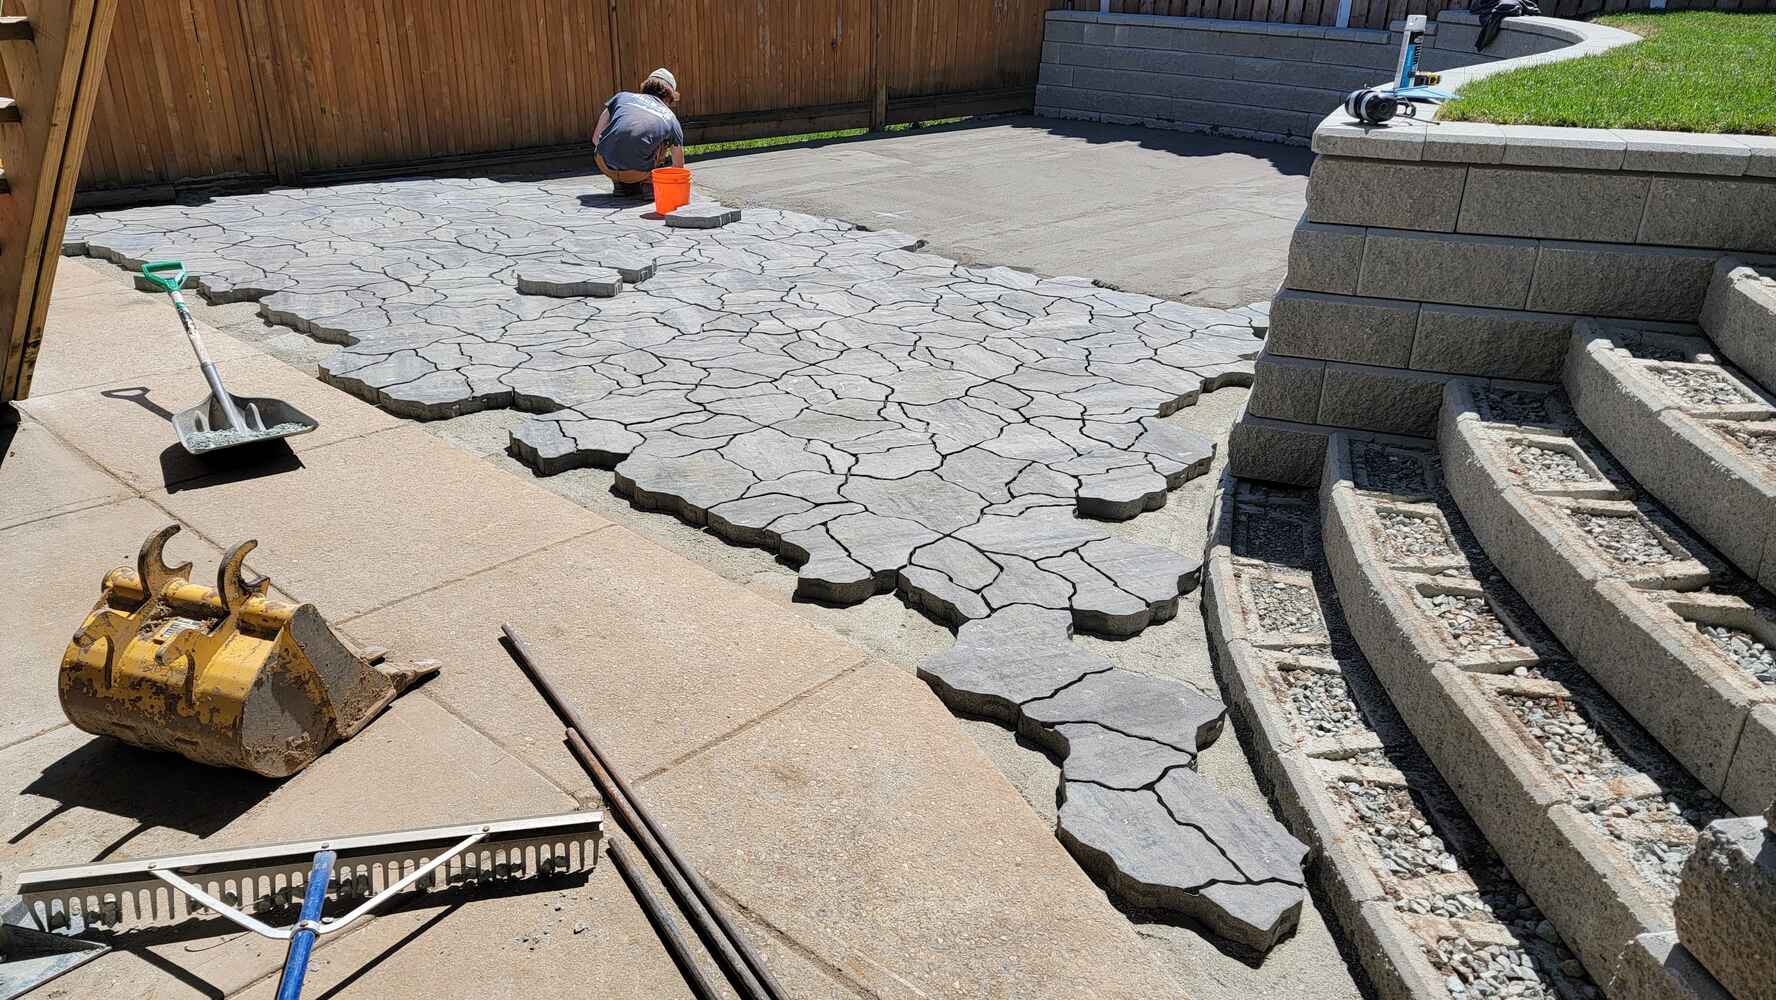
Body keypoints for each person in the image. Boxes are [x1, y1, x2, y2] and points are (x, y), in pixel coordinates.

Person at [593, 68, 685, 198]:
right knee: (662, 140)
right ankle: (649, 184)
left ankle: (619, 183)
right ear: (669, 97)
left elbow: (596, 137)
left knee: (619, 131)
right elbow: (678, 167)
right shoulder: (670, 117)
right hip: (638, 171)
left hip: (604, 163)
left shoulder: (621, 97)